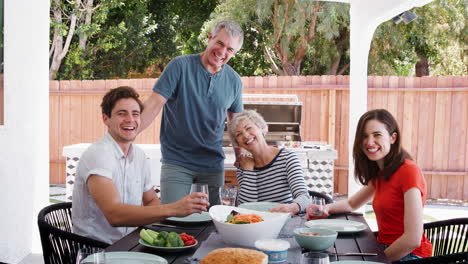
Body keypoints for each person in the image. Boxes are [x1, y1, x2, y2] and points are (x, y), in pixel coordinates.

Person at [72, 86, 209, 245]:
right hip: (96, 250)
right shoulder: (98, 155)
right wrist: (174, 209)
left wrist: (154, 235)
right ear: (106, 119)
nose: (130, 119)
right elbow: (114, 215)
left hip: (131, 244)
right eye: (121, 113)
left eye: (135, 114)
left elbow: (151, 200)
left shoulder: (139, 156)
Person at [140, 21, 244, 206]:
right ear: (210, 38)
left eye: (230, 49)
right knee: (174, 221)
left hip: (212, 164)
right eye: (219, 43)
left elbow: (236, 125)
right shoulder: (179, 66)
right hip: (177, 161)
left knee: (214, 223)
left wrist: (240, 156)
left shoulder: (234, 81)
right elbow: (154, 104)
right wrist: (127, 136)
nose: (222, 52)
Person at [306, 109, 432, 262]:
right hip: (384, 248)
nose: (369, 142)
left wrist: (377, 261)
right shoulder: (382, 173)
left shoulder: (408, 171)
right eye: (364, 136)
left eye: (377, 135)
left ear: (393, 138)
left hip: (410, 255)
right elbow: (352, 203)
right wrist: (325, 208)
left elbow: (412, 240)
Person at [228, 110, 310, 215]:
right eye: (238, 134)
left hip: (283, 221)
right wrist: (248, 171)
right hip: (255, 224)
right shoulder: (243, 166)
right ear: (238, 142)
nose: (245, 135)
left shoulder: (287, 158)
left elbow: (305, 197)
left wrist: (294, 207)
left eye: (248, 128)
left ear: (262, 129)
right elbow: (246, 207)